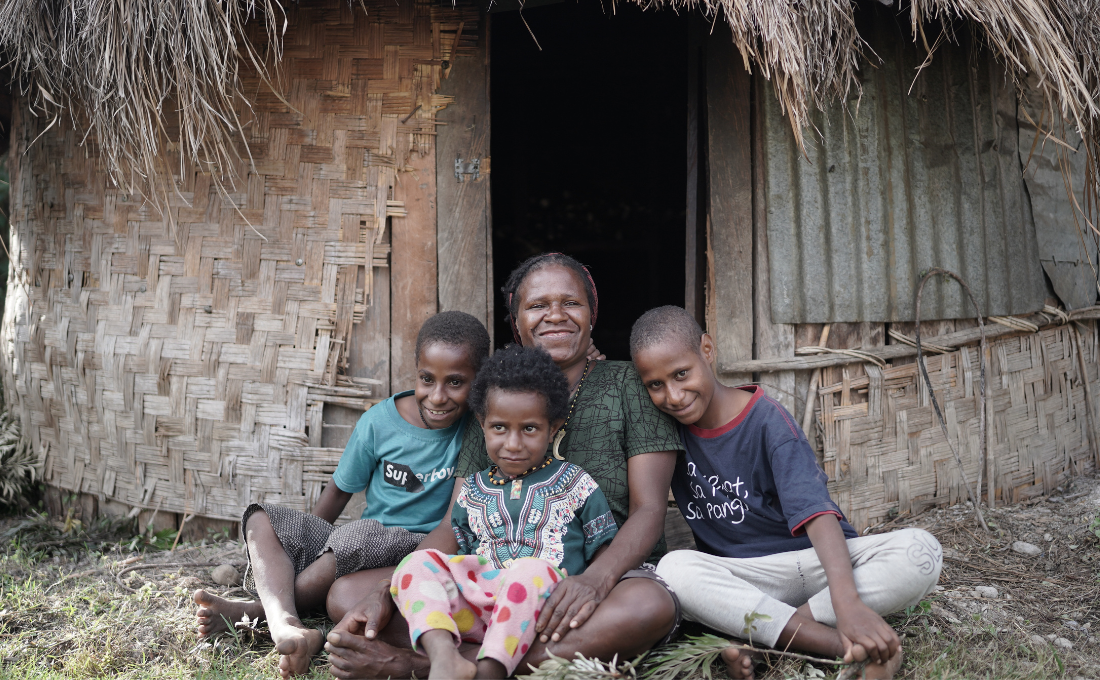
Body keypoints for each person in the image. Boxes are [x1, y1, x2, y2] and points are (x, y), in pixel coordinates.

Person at [324, 253, 683, 679]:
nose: (555, 315)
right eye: (536, 306)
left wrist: (596, 580)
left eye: (571, 303)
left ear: (592, 313)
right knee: (348, 594)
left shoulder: (629, 386)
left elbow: (649, 510)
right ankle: (465, 656)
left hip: (609, 574)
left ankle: (421, 664)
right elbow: (453, 524)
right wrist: (386, 590)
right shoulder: (491, 397)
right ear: (516, 321)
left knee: (649, 607)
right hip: (496, 578)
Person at [629, 306, 943, 680]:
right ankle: (845, 648)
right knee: (675, 569)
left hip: (814, 566)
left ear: (707, 351)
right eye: (656, 385)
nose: (674, 395)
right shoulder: (664, 430)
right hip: (748, 579)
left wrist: (846, 602)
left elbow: (817, 513)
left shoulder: (767, 421)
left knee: (921, 552)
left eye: (682, 374)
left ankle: (769, 639)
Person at [193, 310, 490, 678]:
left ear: (479, 382)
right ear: (415, 370)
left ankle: (254, 612)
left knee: (355, 541)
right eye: (427, 379)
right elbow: (337, 494)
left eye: (456, 383)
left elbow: (451, 527)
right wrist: (304, 546)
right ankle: (287, 623)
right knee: (260, 519)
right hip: (359, 540)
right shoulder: (379, 422)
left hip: (416, 548)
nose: (438, 396)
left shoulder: (476, 433)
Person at [392, 345, 619, 679]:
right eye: (499, 428)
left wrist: (591, 597)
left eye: (529, 429)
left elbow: (602, 550)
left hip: (545, 609)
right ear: (482, 424)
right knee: (415, 563)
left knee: (529, 571)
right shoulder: (472, 490)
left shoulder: (575, 483)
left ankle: (491, 669)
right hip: (477, 608)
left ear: (552, 428)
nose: (513, 444)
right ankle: (444, 658)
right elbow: (464, 552)